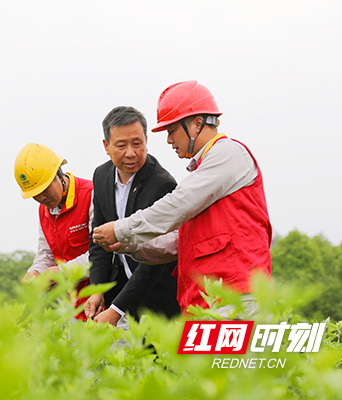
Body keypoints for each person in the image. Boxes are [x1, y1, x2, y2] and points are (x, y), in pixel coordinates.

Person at [92, 81, 272, 316]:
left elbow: (176, 205)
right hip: (208, 302)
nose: (168, 139)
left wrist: (122, 229)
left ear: (197, 124)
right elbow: (178, 242)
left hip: (237, 297)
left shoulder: (227, 153)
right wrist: (129, 245)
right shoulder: (204, 171)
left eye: (171, 130)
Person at [84, 106, 181, 327]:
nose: (131, 153)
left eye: (137, 143)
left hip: (159, 296)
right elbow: (98, 239)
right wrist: (97, 290)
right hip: (121, 287)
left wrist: (116, 310)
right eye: (121, 145)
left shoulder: (162, 184)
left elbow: (155, 258)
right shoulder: (101, 175)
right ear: (106, 146)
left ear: (146, 140)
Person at [14, 143, 93, 320]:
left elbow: (103, 253)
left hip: (104, 300)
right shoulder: (44, 209)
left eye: (44, 189)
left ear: (59, 174)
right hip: (75, 304)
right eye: (35, 194)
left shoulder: (90, 195)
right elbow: (46, 252)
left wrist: (60, 272)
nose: (41, 198)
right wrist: (37, 272)